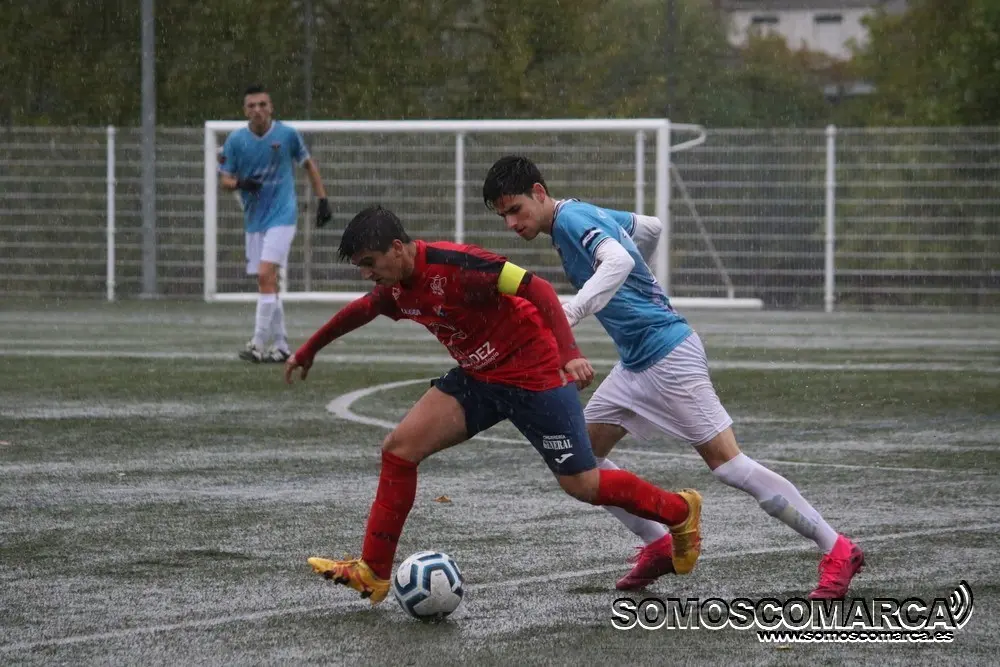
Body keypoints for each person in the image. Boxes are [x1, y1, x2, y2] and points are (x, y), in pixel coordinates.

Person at [483, 156, 864, 600]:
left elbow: (617, 259)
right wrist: (635, 288)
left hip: (668, 356)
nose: (512, 224)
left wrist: (570, 313)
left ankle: (838, 548)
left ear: (539, 192)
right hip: (634, 364)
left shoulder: (571, 221)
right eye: (503, 217)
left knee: (730, 466)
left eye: (515, 210)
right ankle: (659, 543)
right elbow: (650, 227)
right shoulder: (581, 215)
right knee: (581, 460)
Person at [284, 205, 703, 604]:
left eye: (369, 262)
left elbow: (536, 287)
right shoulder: (393, 288)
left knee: (583, 485)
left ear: (397, 247)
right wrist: (309, 349)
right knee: (399, 450)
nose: (366, 273)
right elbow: (362, 310)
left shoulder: (458, 264)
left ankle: (679, 510)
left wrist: (569, 353)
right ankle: (373, 572)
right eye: (360, 266)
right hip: (480, 379)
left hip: (534, 373)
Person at [218, 84, 333, 363]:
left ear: (271, 108)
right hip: (255, 219)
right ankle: (281, 346)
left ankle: (257, 343)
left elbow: (308, 165)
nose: (258, 110)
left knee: (265, 274)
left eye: (262, 105)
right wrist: (241, 183)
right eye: (252, 106)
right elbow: (225, 180)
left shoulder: (287, 135)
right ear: (245, 110)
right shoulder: (236, 141)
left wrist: (323, 200)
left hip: (283, 216)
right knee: (268, 281)